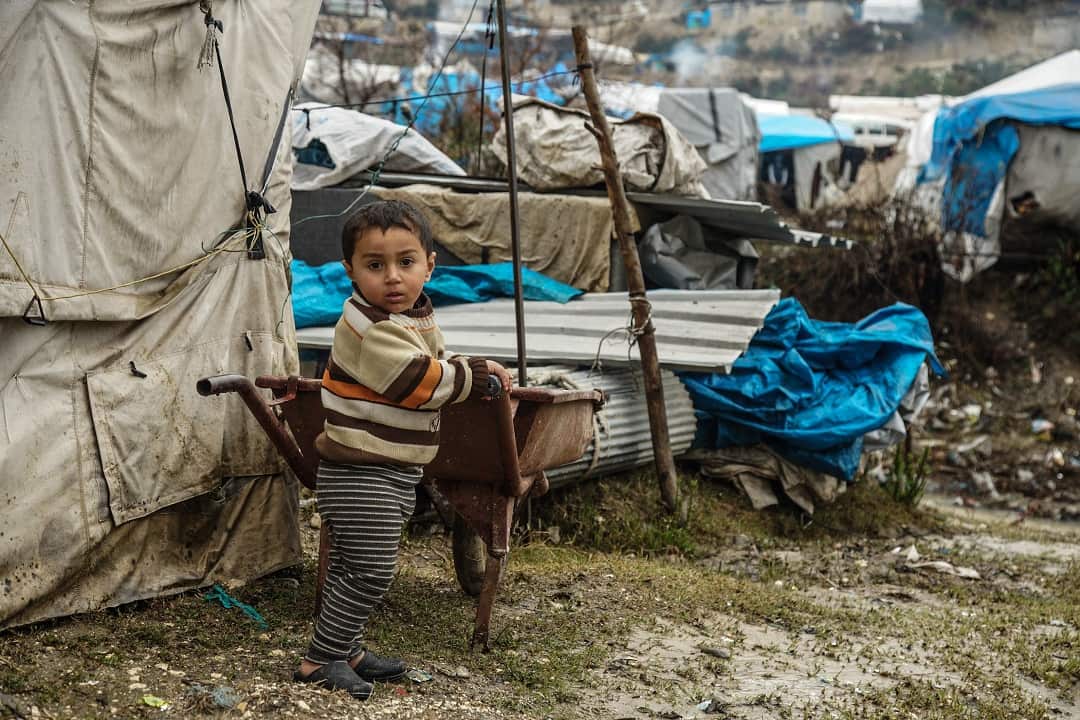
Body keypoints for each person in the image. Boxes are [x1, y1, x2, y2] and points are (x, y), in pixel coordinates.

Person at [294, 200, 511, 700]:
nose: (392, 277)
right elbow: (417, 378)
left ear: (429, 267)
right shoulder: (367, 326)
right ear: (349, 271)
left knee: (360, 566)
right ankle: (319, 659)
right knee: (370, 568)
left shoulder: (411, 318)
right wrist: (472, 378)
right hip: (358, 471)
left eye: (405, 263)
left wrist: (469, 364)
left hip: (389, 469)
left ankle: (345, 649)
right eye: (375, 265)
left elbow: (431, 360)